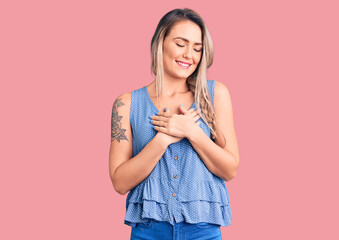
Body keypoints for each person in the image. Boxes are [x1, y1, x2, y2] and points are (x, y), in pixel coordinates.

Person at [109, 8, 240, 240]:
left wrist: (191, 131)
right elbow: (120, 182)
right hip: (148, 231)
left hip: (203, 231)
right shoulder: (126, 104)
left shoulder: (215, 95)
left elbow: (229, 169)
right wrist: (163, 139)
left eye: (197, 48)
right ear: (161, 42)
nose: (189, 55)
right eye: (181, 44)